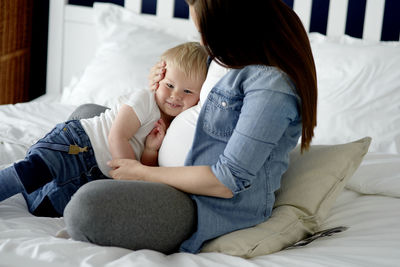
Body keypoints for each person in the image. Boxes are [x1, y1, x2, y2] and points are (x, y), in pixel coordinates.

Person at [63, 0, 318, 254]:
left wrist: (142, 173)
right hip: (160, 170)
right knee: (87, 114)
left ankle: (83, 185)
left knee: (85, 209)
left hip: (200, 203)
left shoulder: (271, 88)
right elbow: (189, 106)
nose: (204, 42)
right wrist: (163, 85)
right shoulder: (223, 59)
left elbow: (226, 181)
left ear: (231, 27)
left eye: (205, 32)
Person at [0, 42, 208, 217]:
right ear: (159, 78)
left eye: (188, 91)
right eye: (170, 85)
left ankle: (28, 188)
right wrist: (130, 178)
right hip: (77, 144)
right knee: (31, 172)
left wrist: (151, 151)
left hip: (95, 173)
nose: (175, 96)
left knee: (44, 208)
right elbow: (118, 136)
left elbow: (147, 168)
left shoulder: (174, 128)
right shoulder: (145, 100)